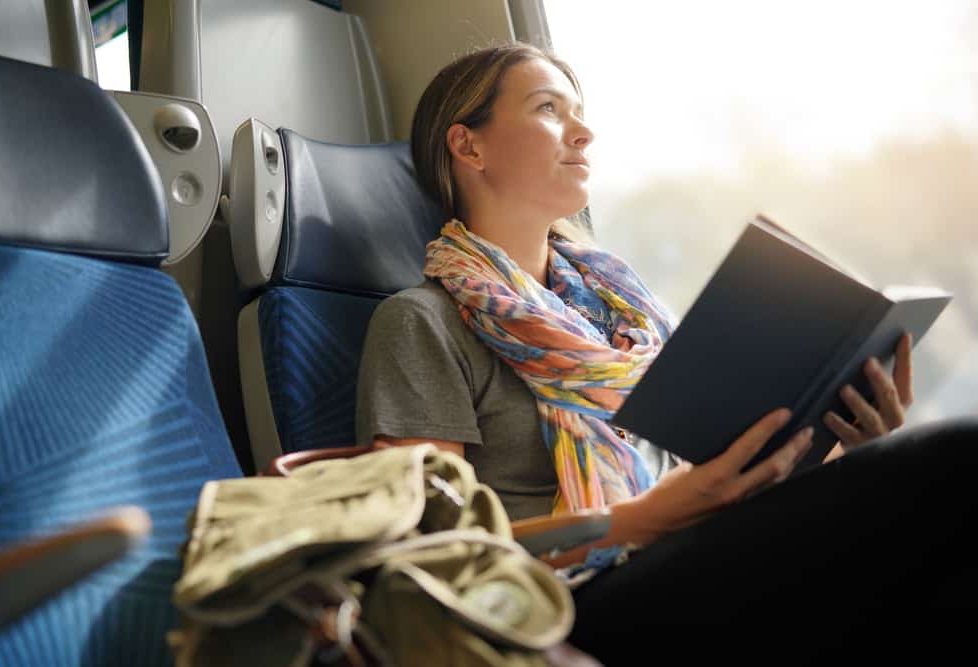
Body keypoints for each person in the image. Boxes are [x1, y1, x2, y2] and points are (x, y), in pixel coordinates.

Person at [354, 42, 978, 663]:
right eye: (549, 109)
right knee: (955, 459)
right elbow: (428, 557)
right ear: (470, 146)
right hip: (568, 603)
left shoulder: (629, 315)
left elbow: (710, 470)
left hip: (689, 548)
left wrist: (851, 435)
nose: (584, 131)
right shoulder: (419, 323)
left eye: (579, 112)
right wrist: (637, 520)